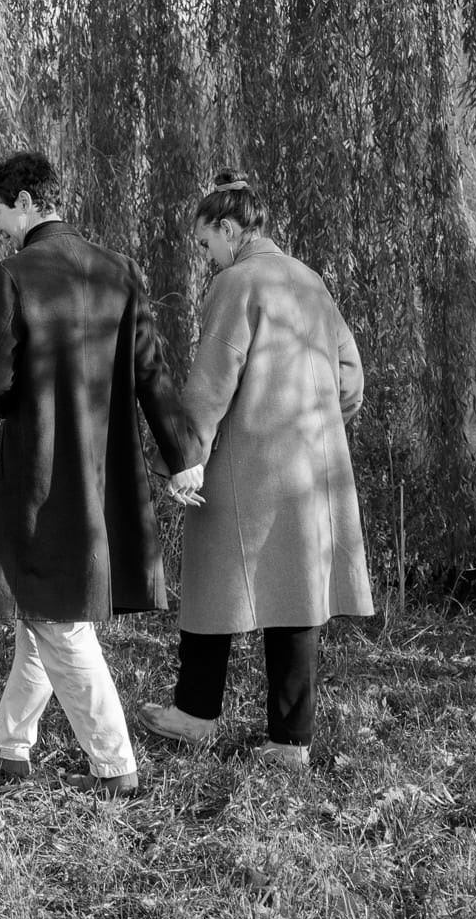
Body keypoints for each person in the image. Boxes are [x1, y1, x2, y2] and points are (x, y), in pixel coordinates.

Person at [0, 148, 190, 799]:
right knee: (42, 609)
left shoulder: (14, 274)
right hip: (103, 474)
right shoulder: (120, 271)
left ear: (28, 203)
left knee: (55, 617)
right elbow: (151, 374)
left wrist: (30, 410)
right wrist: (185, 456)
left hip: (39, 473)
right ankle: (9, 747)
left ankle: (115, 764)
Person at [137, 171, 369, 775]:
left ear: (228, 228)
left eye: (205, 242)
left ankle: (196, 713)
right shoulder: (310, 280)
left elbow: (213, 380)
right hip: (310, 469)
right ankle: (290, 743)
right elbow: (350, 377)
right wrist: (319, 426)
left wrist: (184, 460)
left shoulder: (236, 283)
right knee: (298, 599)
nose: (204, 256)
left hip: (248, 466)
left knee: (214, 584)